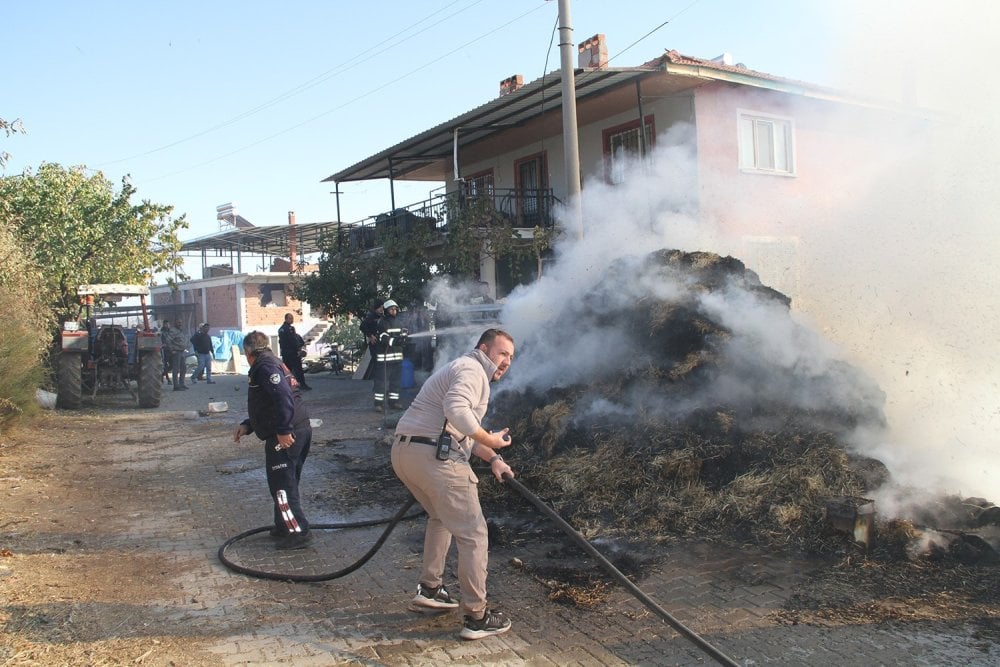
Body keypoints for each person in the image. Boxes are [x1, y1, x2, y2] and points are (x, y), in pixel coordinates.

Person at [391, 328, 516, 640]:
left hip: (405, 453)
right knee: (474, 534)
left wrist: (493, 459)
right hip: (434, 457)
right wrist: (491, 439)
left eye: (511, 357)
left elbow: (459, 433)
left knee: (440, 518)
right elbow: (457, 411)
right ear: (484, 348)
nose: (506, 362)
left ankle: (431, 588)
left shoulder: (459, 367)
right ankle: (477, 616)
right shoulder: (473, 369)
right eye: (502, 353)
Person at [233, 331, 313, 550]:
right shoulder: (274, 362)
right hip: (299, 428)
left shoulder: (265, 367)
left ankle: (298, 532)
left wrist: (284, 430)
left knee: (282, 486)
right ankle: (283, 525)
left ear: (248, 352)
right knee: (286, 482)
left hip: (289, 433)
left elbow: (283, 399)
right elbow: (267, 404)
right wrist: (248, 425)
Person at [373, 299, 407, 411]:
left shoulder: (399, 321)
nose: (394, 311)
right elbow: (383, 338)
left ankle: (394, 402)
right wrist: (396, 341)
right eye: (391, 309)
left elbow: (403, 333)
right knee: (381, 382)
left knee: (395, 383)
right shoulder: (382, 322)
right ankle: (378, 404)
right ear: (386, 311)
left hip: (397, 358)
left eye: (395, 309)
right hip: (384, 358)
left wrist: (404, 338)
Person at [278, 313, 311, 390]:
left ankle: (286, 386)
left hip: (285, 353)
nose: (292, 320)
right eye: (290, 318)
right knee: (298, 369)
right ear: (286, 319)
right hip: (292, 352)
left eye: (292, 318)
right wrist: (298, 350)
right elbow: (293, 341)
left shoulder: (280, 329)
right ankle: (302, 384)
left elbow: (281, 342)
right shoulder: (290, 329)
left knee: (287, 370)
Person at [162, 318, 189, 391]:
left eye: (180, 322)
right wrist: (172, 350)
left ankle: (182, 384)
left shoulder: (180, 330)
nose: (180, 324)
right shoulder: (173, 331)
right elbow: (168, 340)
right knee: (176, 369)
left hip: (182, 351)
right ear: (175, 323)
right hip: (176, 352)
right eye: (178, 322)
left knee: (183, 368)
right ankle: (176, 386)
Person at [359, 299, 383, 364]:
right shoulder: (371, 316)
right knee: (376, 361)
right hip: (374, 343)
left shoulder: (382, 317)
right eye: (380, 307)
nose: (381, 309)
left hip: (382, 343)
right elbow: (362, 326)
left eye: (382, 307)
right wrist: (370, 335)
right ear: (376, 308)